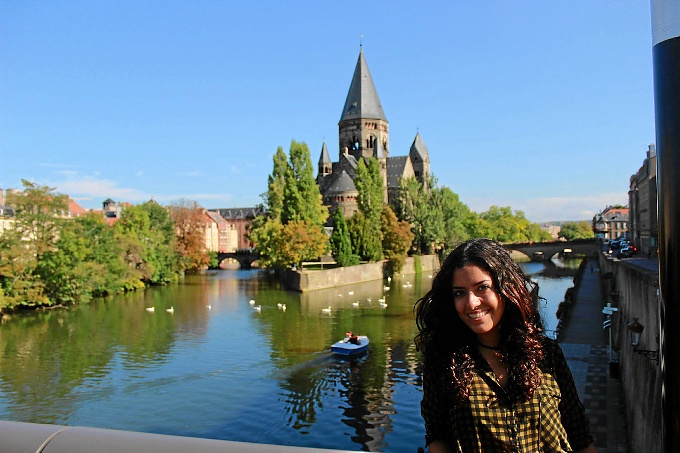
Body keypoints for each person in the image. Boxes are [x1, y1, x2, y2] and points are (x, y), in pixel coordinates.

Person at [415, 238, 596, 452]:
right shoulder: (444, 361)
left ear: (506, 289)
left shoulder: (546, 354)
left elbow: (578, 431)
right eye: (459, 293)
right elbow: (438, 435)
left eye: (482, 288)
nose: (471, 303)